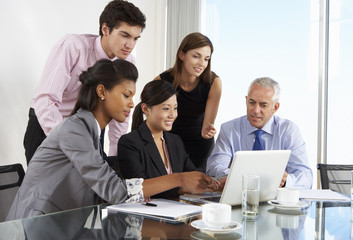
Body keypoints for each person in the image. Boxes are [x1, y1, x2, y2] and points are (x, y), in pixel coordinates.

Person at [6, 59, 216, 221]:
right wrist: (178, 179)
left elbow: (100, 192)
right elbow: (113, 190)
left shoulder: (91, 131)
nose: (132, 104)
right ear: (101, 92)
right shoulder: (75, 129)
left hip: (64, 224)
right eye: (126, 95)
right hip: (33, 226)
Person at [24, 0, 146, 164]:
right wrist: (67, 142)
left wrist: (117, 158)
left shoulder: (128, 62)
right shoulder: (73, 47)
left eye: (135, 38)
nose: (130, 45)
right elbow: (45, 100)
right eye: (125, 35)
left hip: (89, 128)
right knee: (46, 187)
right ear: (105, 29)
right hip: (48, 124)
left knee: (96, 184)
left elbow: (120, 111)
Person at [117, 80, 219, 198]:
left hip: (178, 211)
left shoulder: (175, 141)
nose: (172, 115)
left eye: (175, 108)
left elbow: (192, 175)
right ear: (145, 109)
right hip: (147, 213)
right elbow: (140, 189)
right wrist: (181, 185)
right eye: (166, 108)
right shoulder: (129, 143)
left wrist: (214, 183)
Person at [206, 77, 313, 189]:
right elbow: (214, 167)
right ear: (246, 101)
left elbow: (306, 177)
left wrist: (286, 181)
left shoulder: (289, 131)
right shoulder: (229, 129)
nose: (256, 110)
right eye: (252, 103)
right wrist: (243, 178)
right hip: (239, 196)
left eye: (263, 105)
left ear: (275, 107)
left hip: (276, 200)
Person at [154, 32, 222, 172]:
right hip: (170, 146)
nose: (201, 64)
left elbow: (207, 125)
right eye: (196, 56)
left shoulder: (214, 83)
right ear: (182, 55)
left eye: (206, 59)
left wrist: (208, 130)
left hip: (201, 148)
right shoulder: (161, 81)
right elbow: (154, 121)